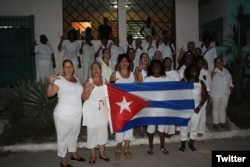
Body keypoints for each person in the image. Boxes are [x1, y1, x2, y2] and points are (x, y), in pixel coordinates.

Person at [46, 59, 85, 167]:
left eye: (70, 66)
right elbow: (49, 94)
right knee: (63, 137)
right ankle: (63, 160)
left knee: (74, 135)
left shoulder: (76, 79)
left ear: (73, 67)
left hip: (77, 113)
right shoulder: (59, 80)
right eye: (66, 67)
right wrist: (51, 82)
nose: (69, 69)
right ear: (63, 68)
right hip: (63, 114)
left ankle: (74, 154)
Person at [82, 61, 110, 165]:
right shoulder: (88, 82)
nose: (96, 70)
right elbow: (84, 97)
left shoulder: (105, 81)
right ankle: (93, 155)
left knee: (103, 132)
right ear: (91, 71)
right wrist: (89, 89)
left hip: (102, 109)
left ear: (101, 70)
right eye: (93, 68)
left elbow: (110, 95)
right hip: (91, 111)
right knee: (92, 133)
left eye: (97, 68)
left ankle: (102, 154)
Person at [110, 54, 137, 160]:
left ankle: (126, 149)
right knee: (120, 128)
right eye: (122, 61)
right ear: (119, 64)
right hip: (118, 107)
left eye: (126, 61)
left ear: (129, 63)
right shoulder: (115, 74)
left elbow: (136, 91)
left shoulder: (132, 76)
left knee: (129, 129)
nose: (124, 63)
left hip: (130, 107)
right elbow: (110, 90)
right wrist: (112, 82)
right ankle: (118, 149)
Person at [179, 65, 208, 153]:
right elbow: (178, 94)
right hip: (185, 109)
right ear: (188, 72)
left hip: (196, 109)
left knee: (194, 127)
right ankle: (183, 145)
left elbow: (204, 96)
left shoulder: (200, 83)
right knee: (184, 127)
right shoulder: (183, 81)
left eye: (195, 70)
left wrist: (199, 107)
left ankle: (191, 144)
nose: (194, 71)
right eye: (192, 70)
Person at [143, 59, 170, 155]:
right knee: (151, 127)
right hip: (151, 108)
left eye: (158, 66)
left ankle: (163, 146)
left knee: (162, 128)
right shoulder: (147, 79)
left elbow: (171, 91)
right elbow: (143, 93)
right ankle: (151, 146)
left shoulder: (165, 78)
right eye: (154, 66)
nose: (156, 68)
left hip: (162, 108)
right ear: (151, 68)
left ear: (161, 68)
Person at [210, 57, 233, 130]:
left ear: (223, 62)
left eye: (221, 62)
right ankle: (215, 123)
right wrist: (211, 77)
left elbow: (230, 82)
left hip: (226, 93)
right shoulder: (213, 72)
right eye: (218, 62)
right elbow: (209, 83)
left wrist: (231, 87)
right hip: (216, 93)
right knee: (216, 108)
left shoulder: (226, 71)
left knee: (223, 108)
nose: (220, 63)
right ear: (215, 64)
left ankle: (222, 122)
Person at [196, 57, 211, 137]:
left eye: (201, 63)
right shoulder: (194, 71)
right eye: (198, 62)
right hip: (196, 94)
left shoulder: (206, 72)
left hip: (204, 94)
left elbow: (208, 83)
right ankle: (196, 128)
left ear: (203, 64)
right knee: (196, 112)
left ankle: (201, 129)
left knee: (203, 112)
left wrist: (208, 94)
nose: (200, 64)